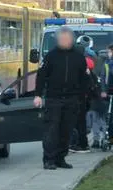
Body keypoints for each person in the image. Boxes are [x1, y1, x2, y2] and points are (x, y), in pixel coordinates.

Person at [34, 26, 89, 170]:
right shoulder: (51, 56)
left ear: (71, 39)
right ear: (58, 40)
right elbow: (41, 77)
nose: (65, 40)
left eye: (67, 38)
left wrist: (82, 96)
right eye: (62, 38)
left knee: (66, 130)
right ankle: (49, 160)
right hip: (54, 98)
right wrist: (38, 95)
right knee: (51, 130)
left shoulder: (78, 56)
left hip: (72, 99)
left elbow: (84, 78)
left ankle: (61, 158)